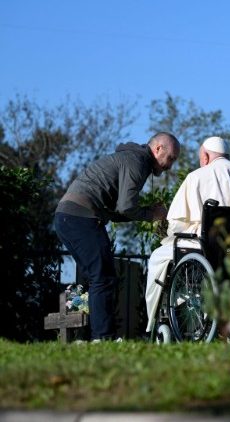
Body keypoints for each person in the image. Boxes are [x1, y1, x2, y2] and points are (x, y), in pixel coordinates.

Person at [54, 132, 181, 341]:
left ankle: (83, 335)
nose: (170, 165)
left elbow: (118, 211)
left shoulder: (130, 159)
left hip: (68, 217)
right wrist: (153, 215)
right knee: (103, 277)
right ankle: (102, 338)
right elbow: (126, 207)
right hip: (80, 217)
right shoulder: (137, 162)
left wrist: (148, 211)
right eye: (171, 158)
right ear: (158, 149)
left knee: (95, 278)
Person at [145, 136, 230, 333]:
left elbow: (176, 224)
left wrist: (169, 234)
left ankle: (153, 324)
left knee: (157, 258)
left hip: (206, 248)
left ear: (205, 156)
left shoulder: (197, 176)